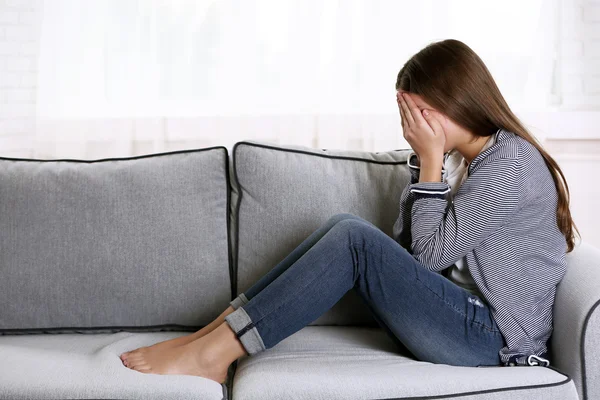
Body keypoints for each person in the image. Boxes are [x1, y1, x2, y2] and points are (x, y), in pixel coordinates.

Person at [119, 39, 579, 383]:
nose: (413, 127)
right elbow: (406, 249)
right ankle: (213, 337)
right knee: (347, 227)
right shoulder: (470, 161)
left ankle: (213, 355)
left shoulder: (510, 161)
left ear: (456, 99)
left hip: (491, 339)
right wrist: (428, 165)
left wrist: (431, 164)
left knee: (353, 239)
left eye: (419, 114)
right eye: (408, 117)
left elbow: (426, 259)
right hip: (459, 320)